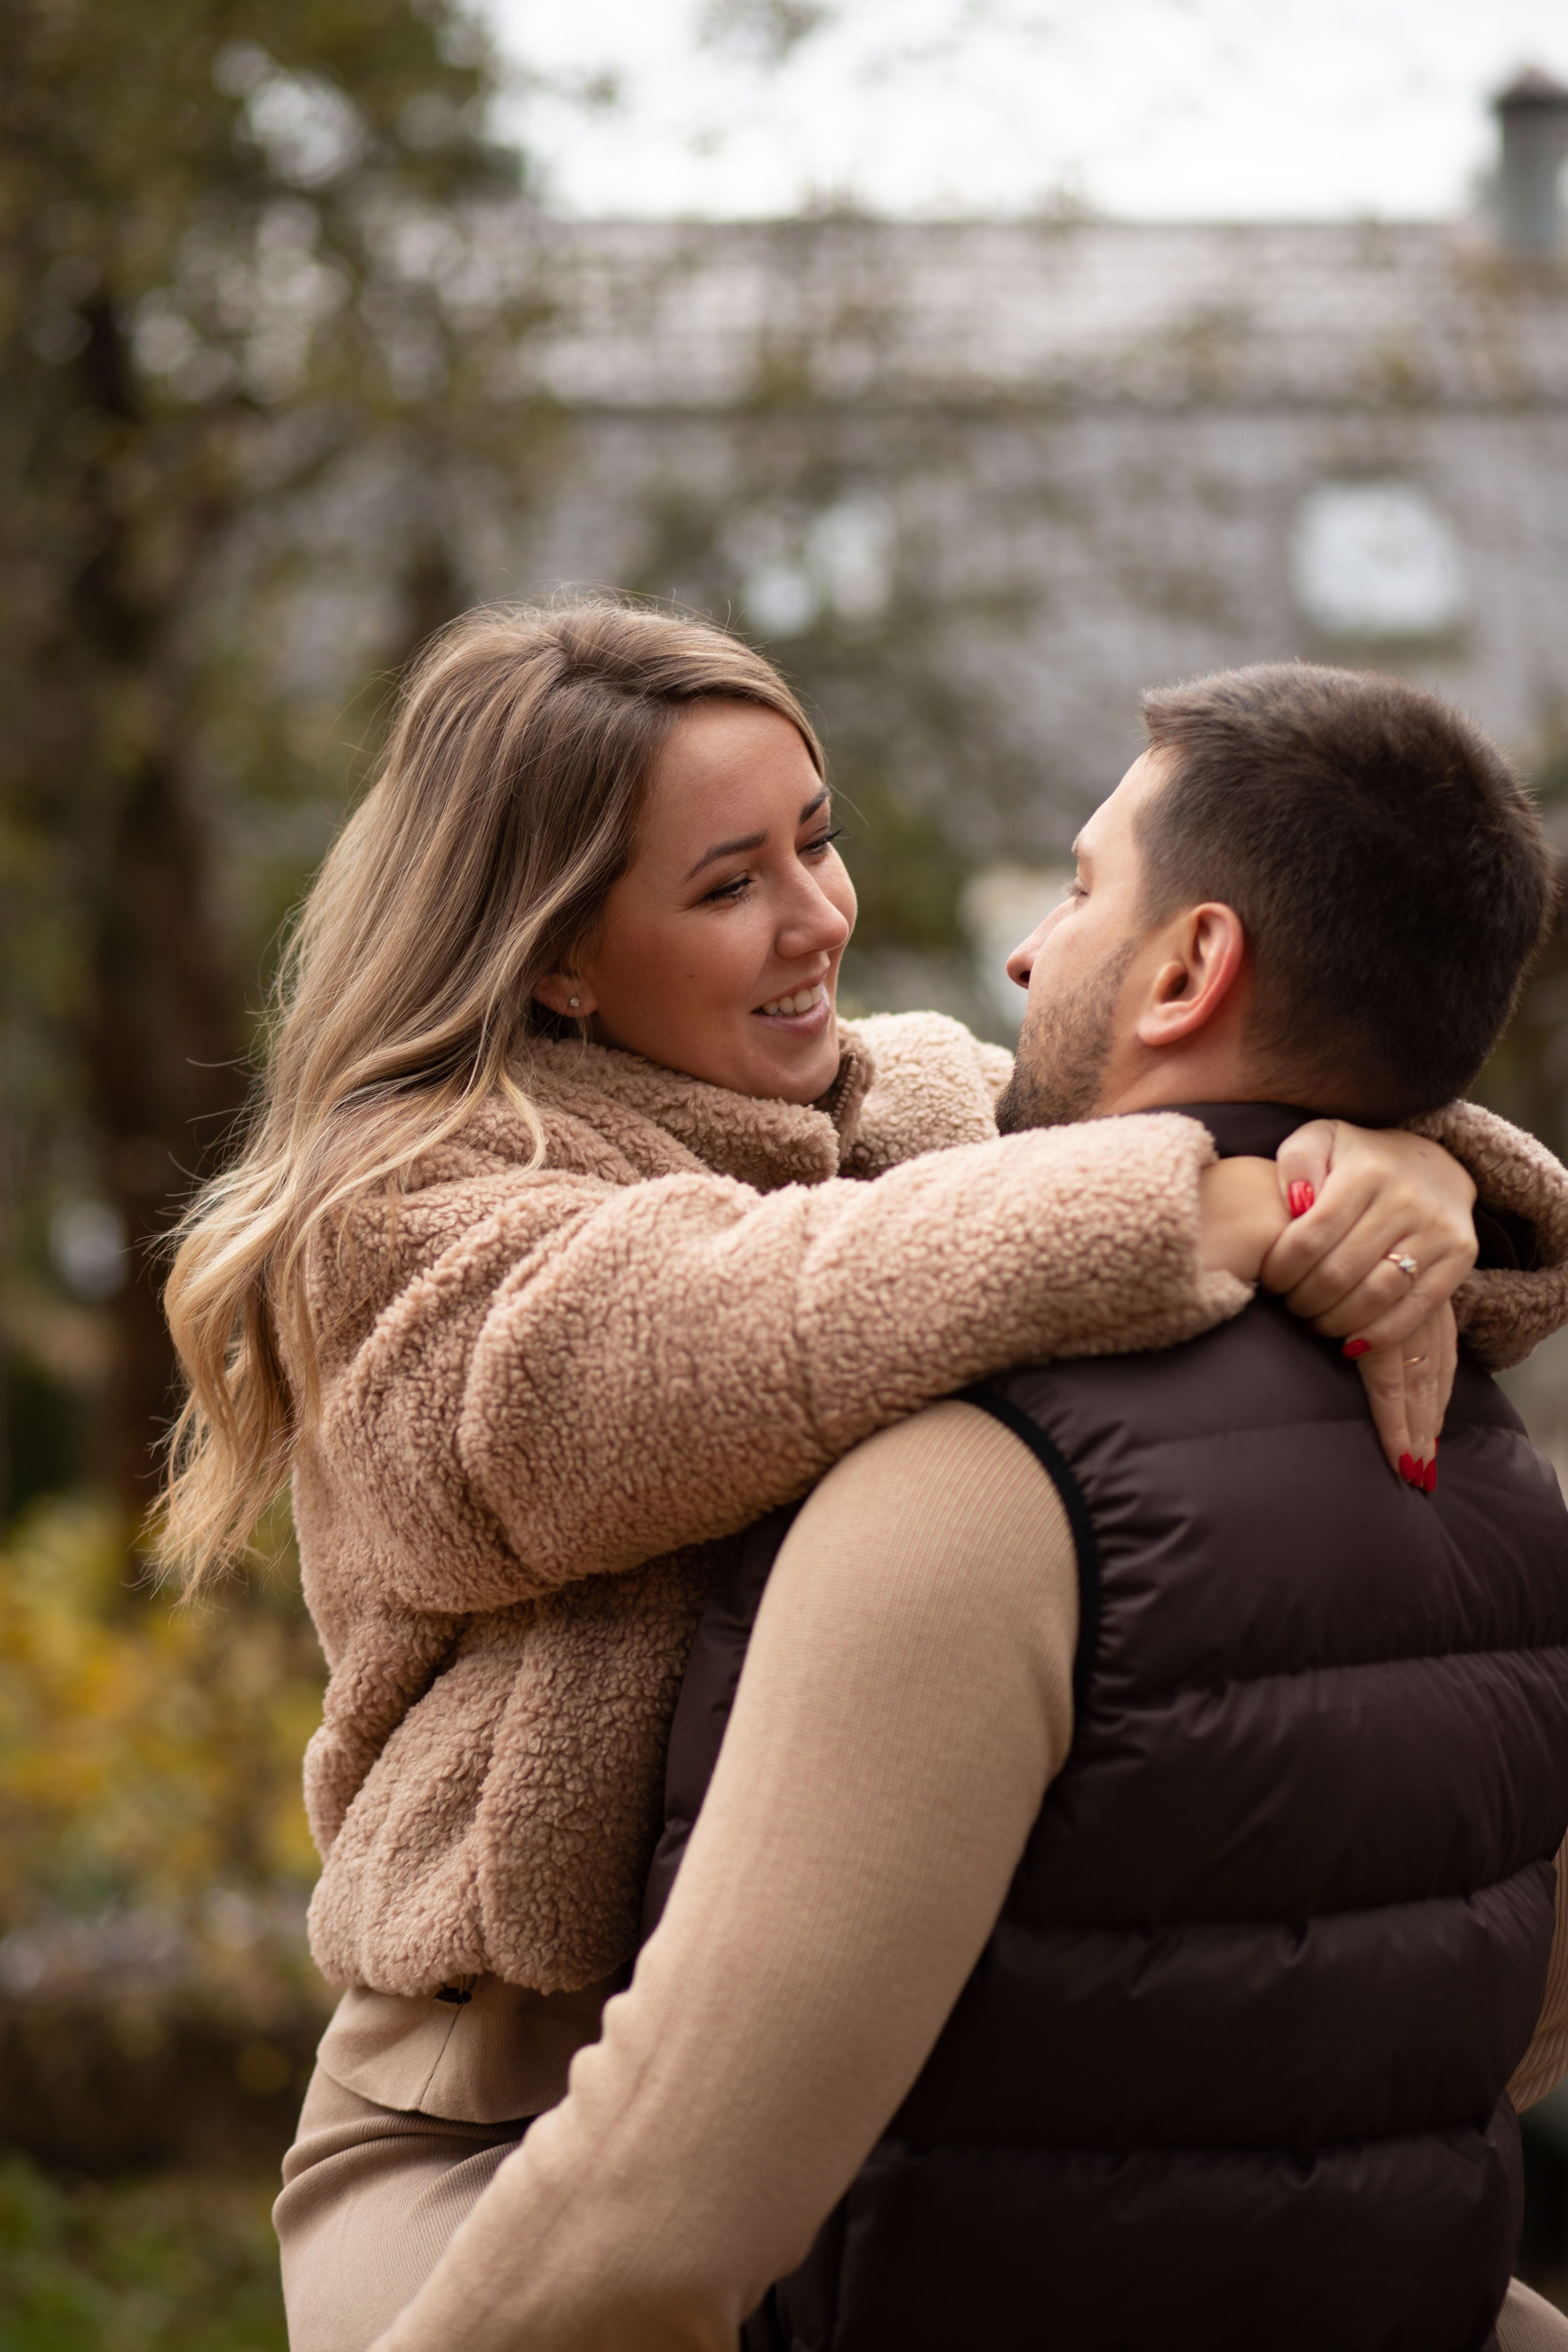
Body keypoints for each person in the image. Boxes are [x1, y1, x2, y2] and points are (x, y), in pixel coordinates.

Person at [157, 606, 1559, 2345]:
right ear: (562, 961)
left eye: (815, 838)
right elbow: (719, 1330)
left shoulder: (893, 1107)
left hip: (816, 2098)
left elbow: (1193, 1095)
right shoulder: (405, 1224)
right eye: (729, 882)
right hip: (493, 2120)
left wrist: (1390, 1168)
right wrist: (1211, 1200)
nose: (819, 914)